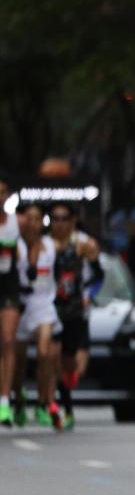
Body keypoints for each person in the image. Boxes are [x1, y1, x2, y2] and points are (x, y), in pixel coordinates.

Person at [48, 203, 103, 431]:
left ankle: (65, 399)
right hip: (49, 308)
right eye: (55, 218)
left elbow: (99, 275)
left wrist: (88, 295)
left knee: (69, 361)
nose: (59, 223)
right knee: (51, 356)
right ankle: (54, 404)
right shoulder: (42, 245)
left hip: (74, 310)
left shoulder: (83, 245)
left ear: (72, 221)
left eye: (64, 218)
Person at [15, 204, 63, 429]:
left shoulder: (51, 246)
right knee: (18, 362)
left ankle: (43, 402)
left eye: (37, 218)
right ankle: (18, 398)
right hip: (20, 306)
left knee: (45, 353)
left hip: (44, 305)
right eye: (29, 218)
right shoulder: (16, 245)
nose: (33, 223)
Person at [0, 182, 22, 427]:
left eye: (2, 192)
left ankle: (4, 401)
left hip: (10, 287)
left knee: (8, 340)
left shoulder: (18, 221)